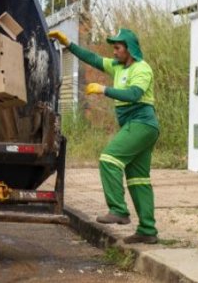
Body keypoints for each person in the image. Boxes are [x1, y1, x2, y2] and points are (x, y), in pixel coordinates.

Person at [48, 28, 160, 244]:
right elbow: (92, 58)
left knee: (109, 159)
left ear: (130, 48)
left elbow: (135, 95)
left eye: (118, 48)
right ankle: (147, 230)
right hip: (134, 124)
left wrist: (103, 89)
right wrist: (68, 43)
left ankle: (118, 210)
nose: (114, 52)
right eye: (114, 48)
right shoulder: (117, 67)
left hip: (142, 122)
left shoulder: (142, 69)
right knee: (138, 180)